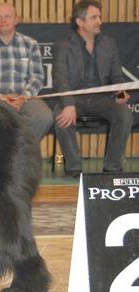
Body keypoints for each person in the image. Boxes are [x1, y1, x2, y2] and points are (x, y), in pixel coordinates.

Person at [52, 0, 132, 177]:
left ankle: (112, 168)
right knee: (62, 116)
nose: (99, 21)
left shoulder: (108, 43)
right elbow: (60, 79)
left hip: (102, 98)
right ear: (80, 22)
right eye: (94, 17)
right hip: (74, 98)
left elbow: (116, 76)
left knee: (124, 114)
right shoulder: (63, 45)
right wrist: (68, 104)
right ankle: (74, 168)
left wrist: (120, 94)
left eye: (99, 17)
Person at [0, 3, 53, 142]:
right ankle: (6, 156)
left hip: (24, 99)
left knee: (44, 116)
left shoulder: (30, 44)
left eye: (7, 17)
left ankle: (20, 152)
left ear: (16, 20)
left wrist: (23, 97)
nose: (3, 20)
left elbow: (37, 77)